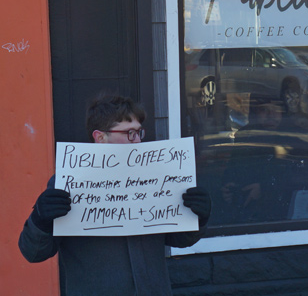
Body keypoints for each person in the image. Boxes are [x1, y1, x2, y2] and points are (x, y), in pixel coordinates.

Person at [18, 94, 212, 296]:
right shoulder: (67, 184)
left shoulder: (156, 180)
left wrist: (198, 217)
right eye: (129, 133)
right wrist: (40, 220)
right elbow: (34, 253)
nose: (137, 141)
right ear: (100, 137)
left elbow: (178, 239)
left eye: (139, 133)